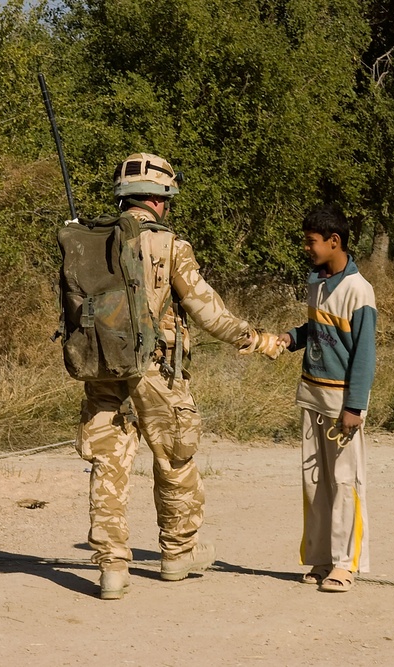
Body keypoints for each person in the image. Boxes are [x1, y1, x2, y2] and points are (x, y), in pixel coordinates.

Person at [77, 152, 284, 600]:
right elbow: (206, 309)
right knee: (174, 461)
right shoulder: (170, 245)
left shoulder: (88, 240)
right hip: (157, 372)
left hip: (103, 369)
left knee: (109, 465)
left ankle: (112, 568)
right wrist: (254, 338)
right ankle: (176, 555)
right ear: (160, 198)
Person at [278, 203, 377, 593]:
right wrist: (289, 338)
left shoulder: (359, 291)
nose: (307, 248)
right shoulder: (317, 282)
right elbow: (316, 331)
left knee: (345, 482)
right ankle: (320, 558)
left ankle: (345, 564)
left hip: (341, 407)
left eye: (312, 242)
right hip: (312, 397)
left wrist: (355, 407)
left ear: (334, 242)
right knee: (316, 483)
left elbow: (364, 355)